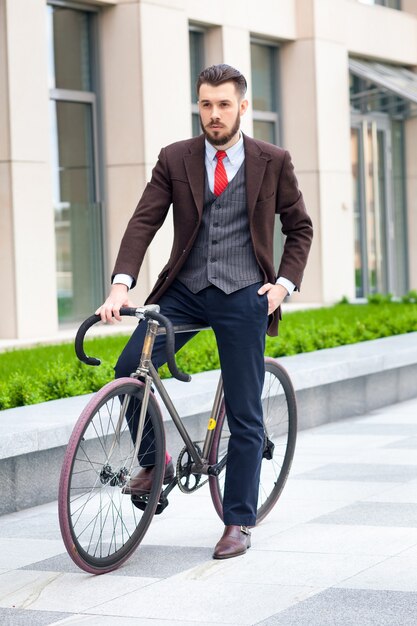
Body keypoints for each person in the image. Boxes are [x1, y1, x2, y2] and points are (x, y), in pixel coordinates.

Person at [96, 64, 313, 559]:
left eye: (223, 104)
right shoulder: (176, 158)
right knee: (130, 367)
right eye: (205, 104)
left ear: (242, 106)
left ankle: (238, 520)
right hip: (186, 291)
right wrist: (119, 286)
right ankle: (156, 463)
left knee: (244, 410)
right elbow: (143, 222)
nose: (213, 114)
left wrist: (282, 285)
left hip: (245, 293)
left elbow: (300, 228)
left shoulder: (272, 160)